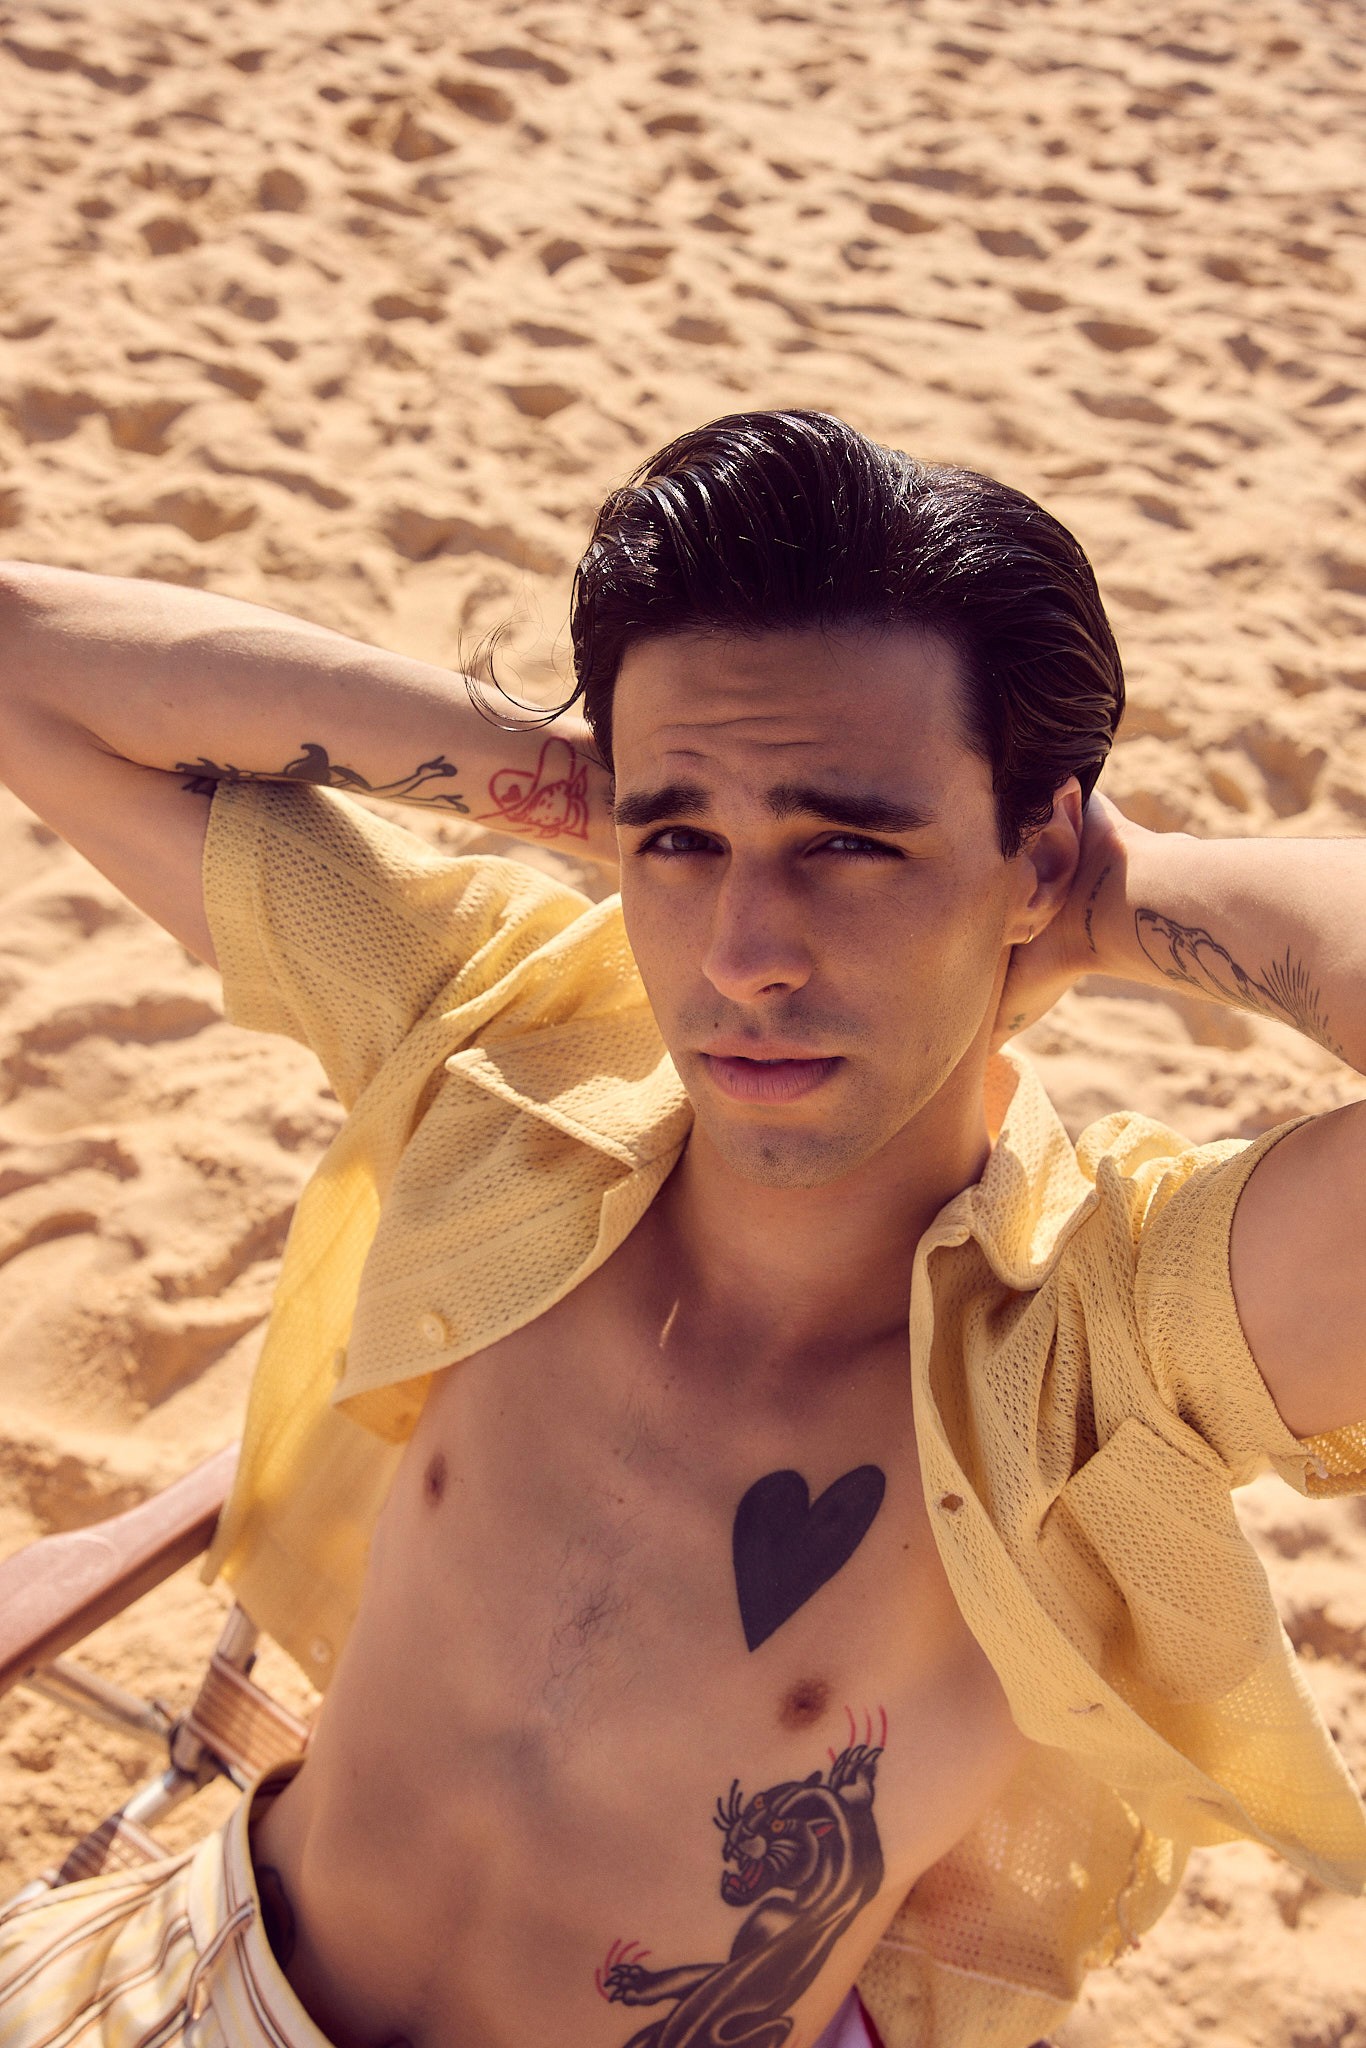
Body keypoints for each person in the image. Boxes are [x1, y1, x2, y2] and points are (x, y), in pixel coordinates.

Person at [0, 409, 1362, 2048]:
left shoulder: (1105, 1336)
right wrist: (599, 782)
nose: (742, 953)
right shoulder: (502, 1047)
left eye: (847, 841)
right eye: (681, 846)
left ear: (1039, 848)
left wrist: (1122, 896)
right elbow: (26, 663)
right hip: (195, 1983)